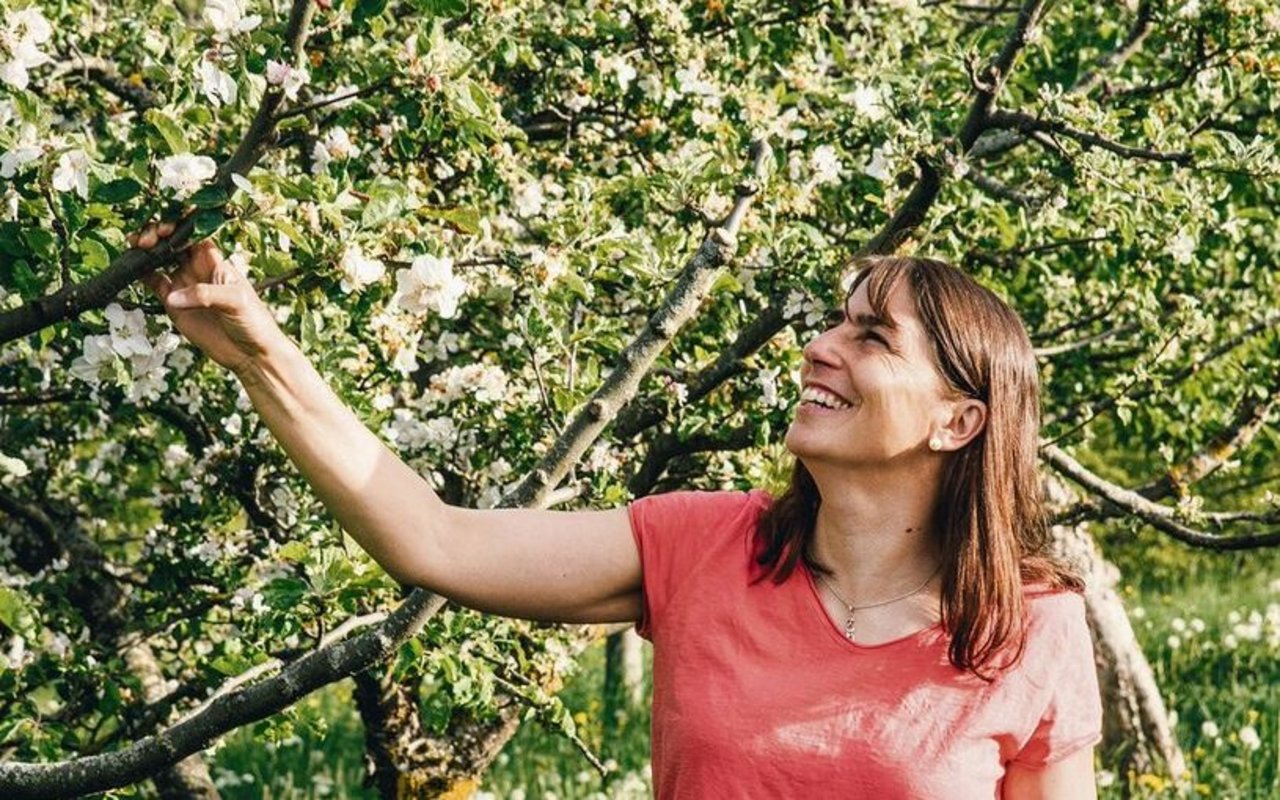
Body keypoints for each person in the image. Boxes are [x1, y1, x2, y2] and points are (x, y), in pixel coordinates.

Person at [130, 222, 1103, 798]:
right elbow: (431, 536)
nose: (817, 345)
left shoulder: (1031, 626)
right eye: (831, 319)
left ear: (956, 420)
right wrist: (260, 350)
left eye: (871, 336)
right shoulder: (702, 544)